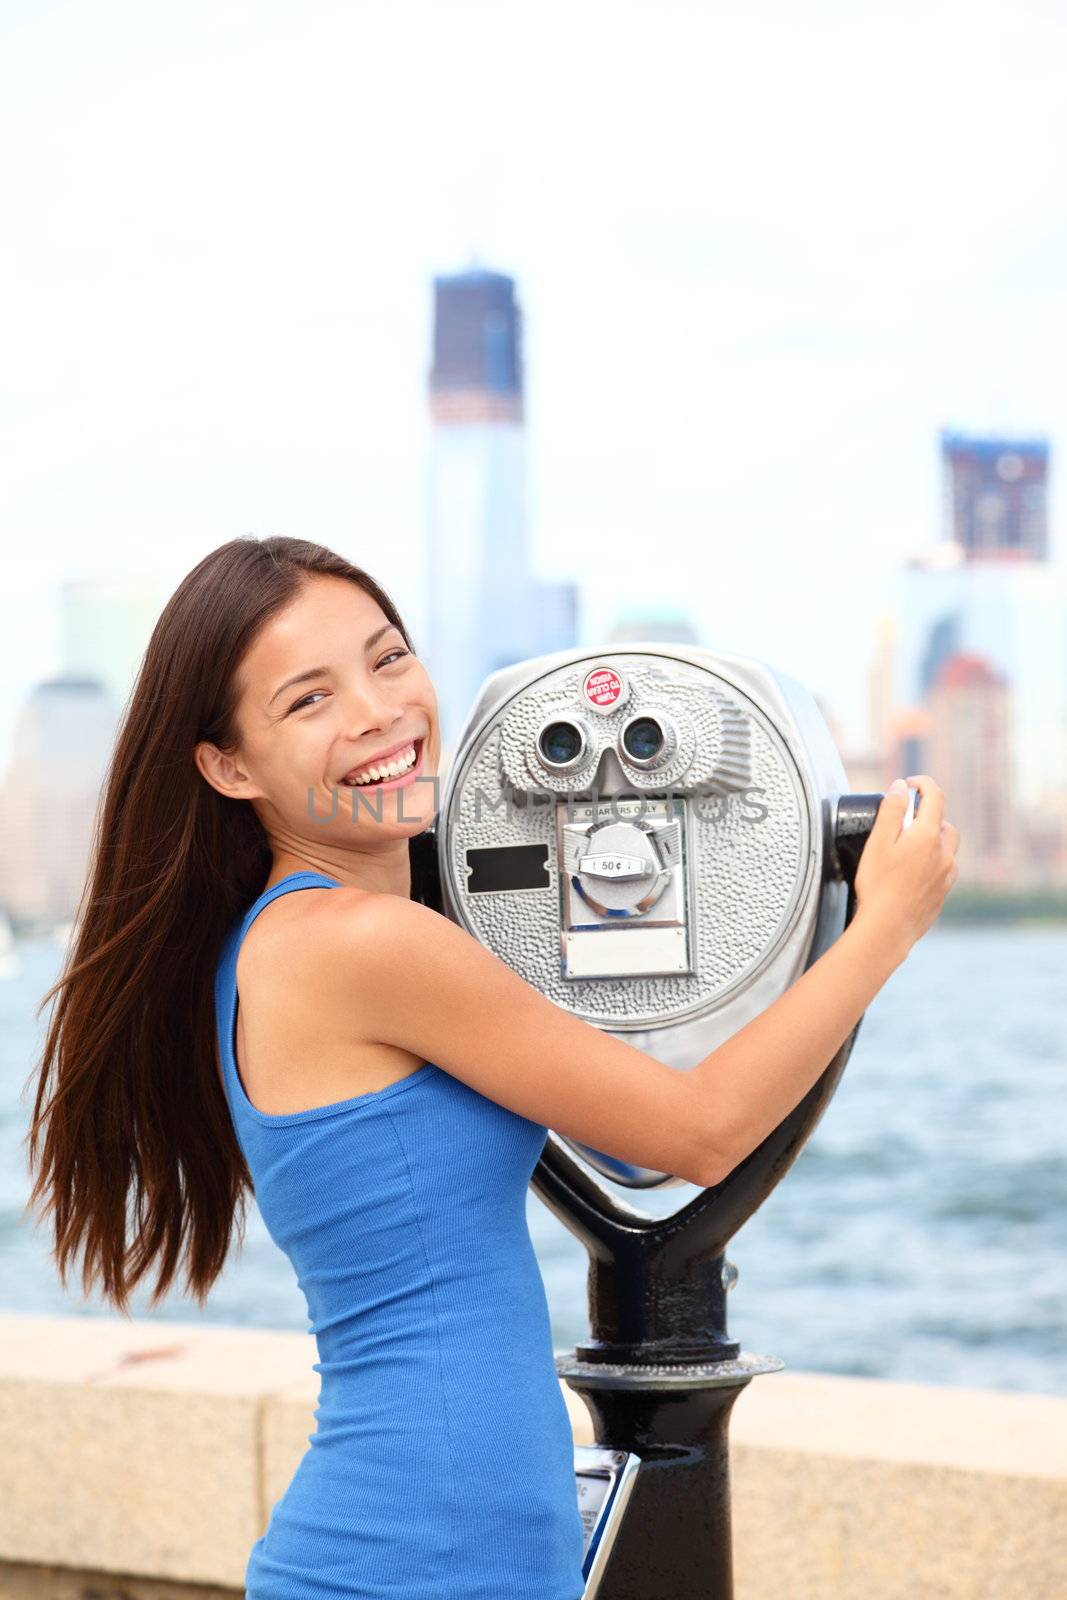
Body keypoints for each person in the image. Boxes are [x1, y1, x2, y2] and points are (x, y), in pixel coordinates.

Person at [23, 534, 959, 1600]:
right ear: (228, 764)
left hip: (437, 1553)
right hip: (413, 1566)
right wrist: (882, 920)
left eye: (386, 659)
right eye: (307, 700)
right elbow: (694, 1132)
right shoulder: (367, 947)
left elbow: (613, 1132)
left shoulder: (296, 940)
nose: (376, 713)